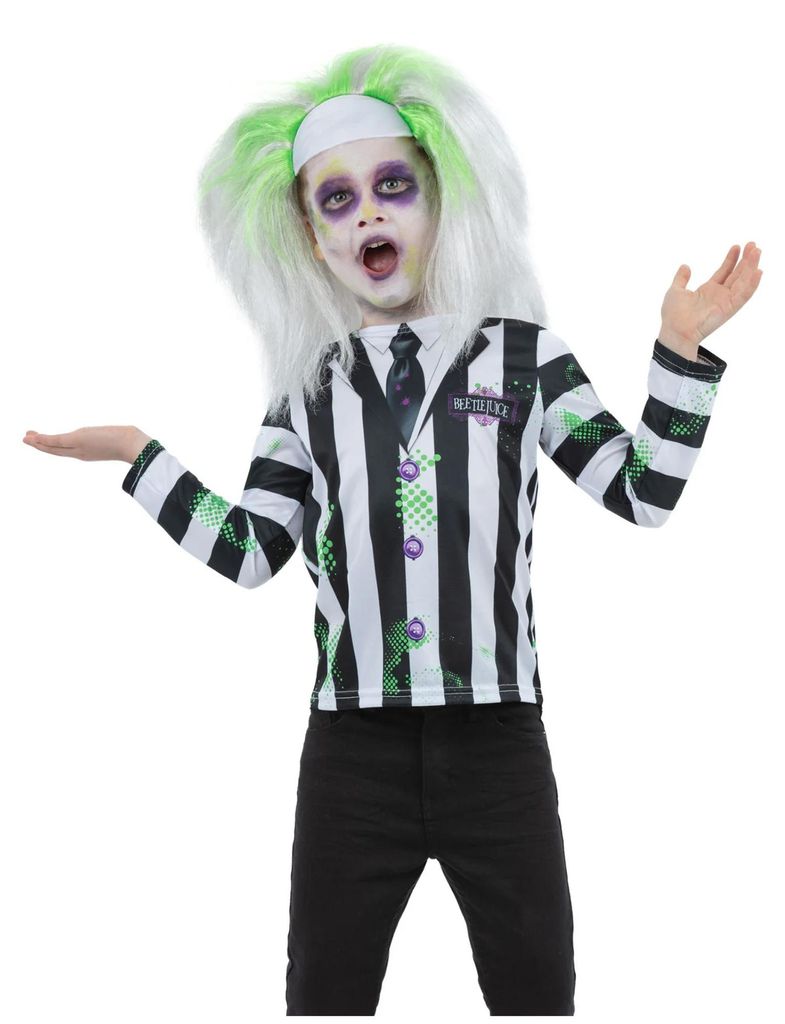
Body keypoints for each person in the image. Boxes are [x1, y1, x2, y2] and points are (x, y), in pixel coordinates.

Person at [22, 43, 762, 1016]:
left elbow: (642, 491)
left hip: (497, 742)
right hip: (352, 753)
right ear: (310, 237)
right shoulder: (308, 391)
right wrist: (138, 456)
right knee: (324, 995)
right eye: (336, 201)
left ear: (440, 198)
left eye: (392, 186)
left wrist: (677, 352)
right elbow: (250, 553)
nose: (367, 214)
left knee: (536, 994)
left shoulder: (525, 361)